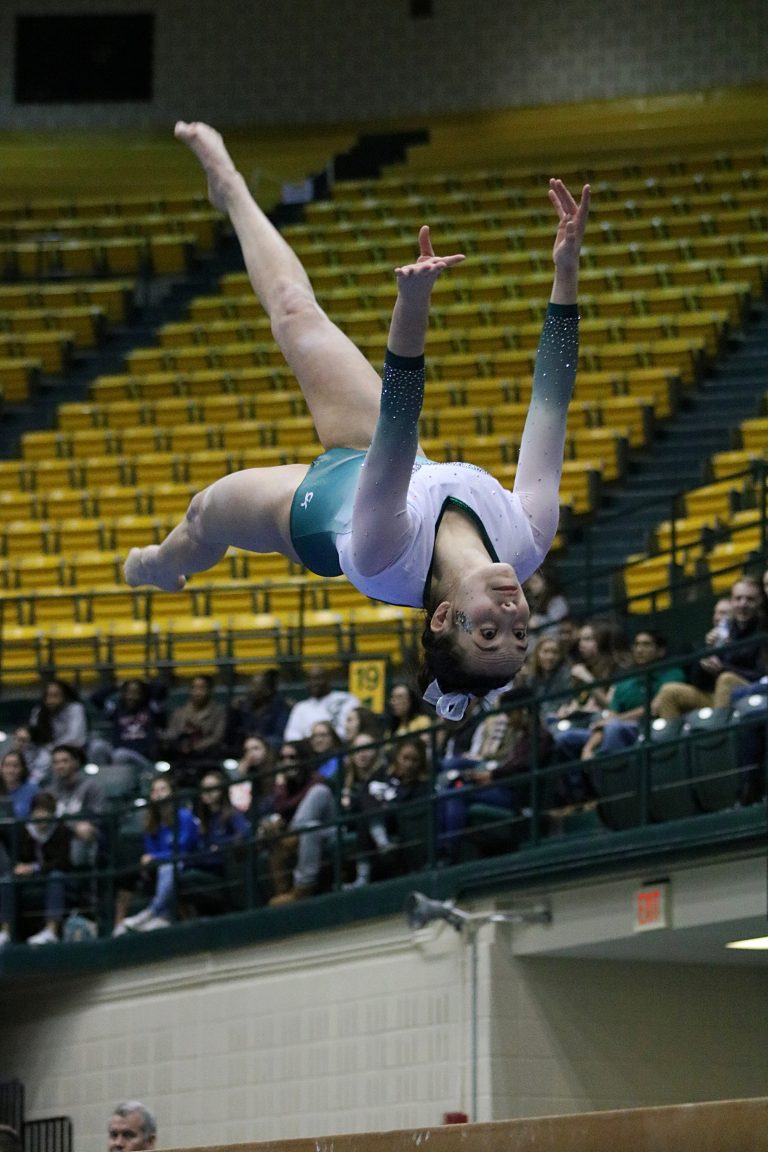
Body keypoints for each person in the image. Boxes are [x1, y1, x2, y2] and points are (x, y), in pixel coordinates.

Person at [124, 120, 589, 721]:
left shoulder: (381, 556)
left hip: (313, 511)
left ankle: (155, 567)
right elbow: (551, 400)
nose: (512, 619)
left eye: (489, 635)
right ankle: (231, 187)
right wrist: (566, 269)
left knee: (200, 516)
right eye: (519, 639)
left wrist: (413, 304)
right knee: (295, 312)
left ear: (444, 617)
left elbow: (400, 415)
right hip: (389, 466)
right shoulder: (526, 536)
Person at [437, 692, 553, 863]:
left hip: (517, 795)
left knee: (455, 794)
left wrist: (492, 774)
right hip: (505, 786)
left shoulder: (540, 735)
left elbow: (524, 767)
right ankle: (446, 849)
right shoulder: (524, 736)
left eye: (509, 713)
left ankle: (449, 851)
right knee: (449, 791)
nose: (507, 719)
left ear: (523, 712)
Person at [554, 629, 685, 761]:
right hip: (619, 727)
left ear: (660, 651)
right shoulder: (625, 682)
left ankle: (612, 773)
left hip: (649, 727)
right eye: (637, 645)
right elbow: (608, 719)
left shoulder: (672, 674)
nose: (639, 650)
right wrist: (587, 749)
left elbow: (654, 709)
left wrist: (618, 719)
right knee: (564, 738)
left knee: (614, 728)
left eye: (646, 645)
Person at [652, 579, 766, 718]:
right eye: (738, 598)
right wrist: (707, 653)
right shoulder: (723, 631)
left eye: (750, 599)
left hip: (749, 691)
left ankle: (719, 737)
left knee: (726, 679)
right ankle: (672, 737)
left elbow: (762, 675)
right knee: (669, 691)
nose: (743, 604)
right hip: (715, 695)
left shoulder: (763, 630)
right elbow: (697, 681)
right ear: (731, 601)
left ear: (759, 601)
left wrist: (722, 669)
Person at [113, 775, 199, 934]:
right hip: (160, 863)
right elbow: (150, 849)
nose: (158, 794)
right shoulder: (152, 821)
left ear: (172, 793)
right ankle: (120, 925)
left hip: (186, 860)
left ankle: (153, 911)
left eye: (163, 789)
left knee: (168, 867)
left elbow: (183, 848)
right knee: (129, 873)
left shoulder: (184, 816)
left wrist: (156, 858)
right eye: (154, 791)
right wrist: (151, 860)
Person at [259, 739, 336, 904]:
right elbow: (279, 808)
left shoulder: (316, 779)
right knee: (305, 828)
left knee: (318, 794)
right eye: (283, 758)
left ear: (302, 759)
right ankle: (291, 889)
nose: (288, 763)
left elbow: (288, 805)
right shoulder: (285, 787)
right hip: (305, 835)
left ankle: (302, 888)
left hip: (329, 831)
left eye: (292, 757)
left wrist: (280, 787)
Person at [0, 790, 74, 946]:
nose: (41, 817)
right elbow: (18, 857)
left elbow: (62, 862)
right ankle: (5, 932)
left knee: (56, 877)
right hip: (30, 877)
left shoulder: (62, 831)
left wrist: (36, 868)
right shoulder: (23, 831)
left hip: (55, 875)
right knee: (7, 880)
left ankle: (51, 931)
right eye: (38, 812)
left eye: (45, 812)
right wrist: (20, 867)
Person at [181, 768, 251, 917]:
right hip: (206, 865)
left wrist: (220, 845)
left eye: (212, 788)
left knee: (188, 878)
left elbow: (245, 834)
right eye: (204, 788)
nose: (207, 792)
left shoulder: (231, 814)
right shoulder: (203, 819)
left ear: (222, 790)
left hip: (223, 868)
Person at [88, 679, 167, 783]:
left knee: (120, 755)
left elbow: (162, 689)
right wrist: (115, 686)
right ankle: (99, 783)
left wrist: (143, 683)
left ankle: (120, 785)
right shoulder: (116, 711)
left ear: (143, 694)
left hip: (143, 758)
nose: (131, 696)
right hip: (118, 753)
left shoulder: (150, 709)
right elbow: (96, 698)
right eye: (128, 692)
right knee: (97, 746)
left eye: (136, 693)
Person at [160, 674, 227, 786]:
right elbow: (171, 734)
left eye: (202, 688)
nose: (197, 692)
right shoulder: (179, 713)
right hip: (180, 760)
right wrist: (177, 744)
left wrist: (194, 747)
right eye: (194, 688)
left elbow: (217, 737)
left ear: (210, 690)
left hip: (207, 760)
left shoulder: (219, 712)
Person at [47, 743, 106, 868]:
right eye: (56, 762)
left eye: (64, 761)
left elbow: (96, 817)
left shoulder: (91, 787)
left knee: (84, 831)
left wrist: (70, 826)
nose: (60, 766)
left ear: (76, 763)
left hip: (84, 835)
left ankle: (82, 881)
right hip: (57, 835)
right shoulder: (49, 792)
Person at [26, 678, 88, 784]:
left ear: (64, 696)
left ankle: (34, 782)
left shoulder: (75, 709)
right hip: (45, 749)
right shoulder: (38, 712)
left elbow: (76, 738)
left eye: (56, 696)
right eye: (48, 696)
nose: (51, 700)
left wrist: (52, 748)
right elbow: (34, 736)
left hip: (73, 750)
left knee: (47, 758)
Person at [283, 664, 360, 742]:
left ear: (328, 680)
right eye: (310, 680)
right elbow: (291, 737)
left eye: (318, 679)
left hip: (343, 748)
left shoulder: (346, 699)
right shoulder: (300, 707)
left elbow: (356, 728)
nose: (313, 683)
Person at [224, 668, 290, 752]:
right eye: (249, 685)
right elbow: (229, 737)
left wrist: (259, 742)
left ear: (268, 690)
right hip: (244, 750)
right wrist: (232, 711)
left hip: (269, 752)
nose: (250, 690)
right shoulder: (241, 707)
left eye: (254, 686)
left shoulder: (279, 708)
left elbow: (279, 737)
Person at [229, 734, 276, 816]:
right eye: (247, 750)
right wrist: (241, 771)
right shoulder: (248, 772)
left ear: (266, 749)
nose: (251, 754)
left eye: (256, 748)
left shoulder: (275, 769)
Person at [523, 561, 570, 638]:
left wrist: (538, 621)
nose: (532, 586)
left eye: (535, 582)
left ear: (546, 582)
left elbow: (556, 626)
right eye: (530, 583)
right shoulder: (531, 599)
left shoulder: (558, 601)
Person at [0, 749, 38, 823]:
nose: (11, 770)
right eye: (7, 766)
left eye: (16, 766)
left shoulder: (32, 790)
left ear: (22, 768)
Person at [308, 720, 345, 788]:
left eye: (323, 735)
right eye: (314, 736)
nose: (318, 740)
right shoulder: (309, 761)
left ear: (332, 738)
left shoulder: (339, 759)